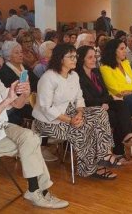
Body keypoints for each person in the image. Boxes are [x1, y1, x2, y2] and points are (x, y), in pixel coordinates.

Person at [0, 52, 69, 209]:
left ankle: (35, 190)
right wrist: (5, 102)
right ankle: (39, 191)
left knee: (31, 138)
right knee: (31, 143)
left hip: (2, 128)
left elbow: (16, 104)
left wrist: (24, 94)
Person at [32, 44, 122, 179]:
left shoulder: (73, 75)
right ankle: (90, 169)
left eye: (75, 56)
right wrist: (70, 120)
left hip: (71, 113)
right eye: (71, 57)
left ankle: (104, 154)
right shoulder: (48, 77)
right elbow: (46, 108)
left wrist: (79, 113)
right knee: (84, 128)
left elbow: (79, 98)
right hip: (48, 121)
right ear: (60, 59)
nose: (75, 59)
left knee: (100, 113)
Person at [76, 46, 132, 157]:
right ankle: (119, 151)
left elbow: (105, 92)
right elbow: (87, 100)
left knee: (121, 104)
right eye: (90, 57)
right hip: (90, 109)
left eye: (95, 57)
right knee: (117, 117)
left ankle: (127, 137)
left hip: (103, 105)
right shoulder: (78, 76)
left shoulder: (96, 72)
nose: (94, 60)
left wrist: (106, 101)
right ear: (82, 59)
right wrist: (106, 101)